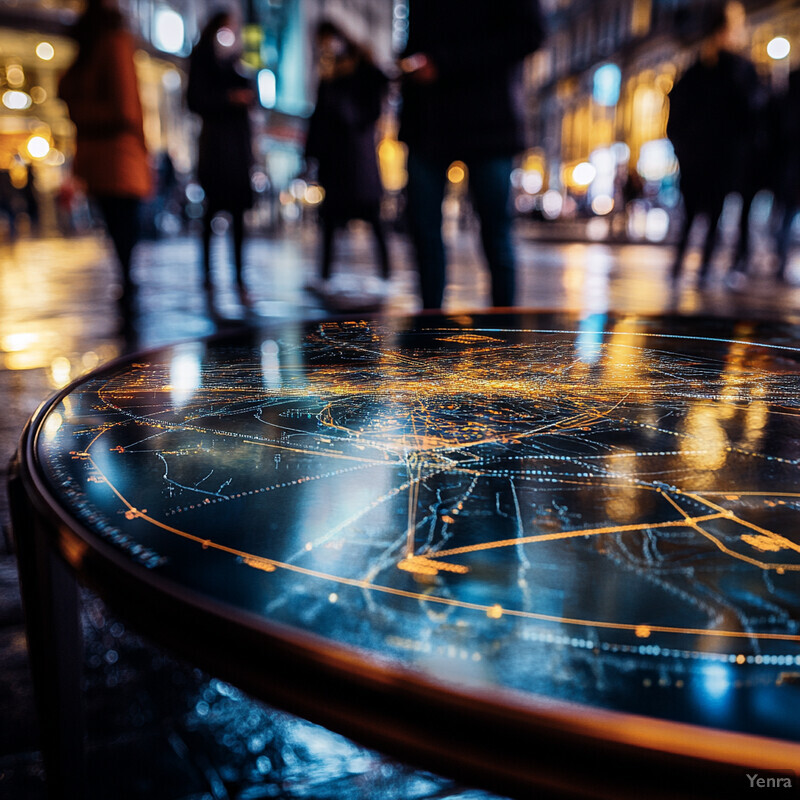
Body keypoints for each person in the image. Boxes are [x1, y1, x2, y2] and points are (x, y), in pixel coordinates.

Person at [398, 0, 544, 310]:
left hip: (484, 119)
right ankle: (431, 322)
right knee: (425, 229)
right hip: (430, 118)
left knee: (495, 231)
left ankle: (504, 326)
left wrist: (444, 62)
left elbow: (530, 34)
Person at [59, 0, 151, 321]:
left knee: (117, 228)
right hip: (119, 157)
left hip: (99, 158)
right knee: (125, 227)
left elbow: (68, 91)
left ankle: (127, 285)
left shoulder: (93, 46)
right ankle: (128, 286)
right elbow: (126, 108)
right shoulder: (114, 43)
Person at [667, 1, 761, 284]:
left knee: (695, 214)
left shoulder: (700, 67)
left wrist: (681, 146)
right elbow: (753, 115)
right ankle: (699, 269)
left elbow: (676, 112)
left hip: (707, 155)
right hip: (719, 156)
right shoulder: (737, 70)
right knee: (708, 214)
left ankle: (684, 268)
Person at [304, 20, 390, 293]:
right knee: (330, 220)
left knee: (372, 217)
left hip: (357, 155)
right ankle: (325, 274)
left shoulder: (363, 66)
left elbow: (376, 98)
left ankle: (385, 274)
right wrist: (310, 155)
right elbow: (317, 119)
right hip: (335, 159)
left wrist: (353, 118)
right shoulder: (328, 74)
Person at [187, 10, 255, 305]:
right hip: (215, 151)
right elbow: (194, 101)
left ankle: (239, 277)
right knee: (211, 214)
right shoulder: (203, 61)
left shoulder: (239, 63)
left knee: (238, 217)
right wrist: (228, 98)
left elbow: (254, 99)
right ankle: (208, 275)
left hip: (238, 153)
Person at [774, 68, 800, 282]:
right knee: (787, 215)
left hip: (787, 169)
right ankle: (780, 261)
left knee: (785, 215)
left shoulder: (785, 102)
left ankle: (780, 260)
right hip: (791, 169)